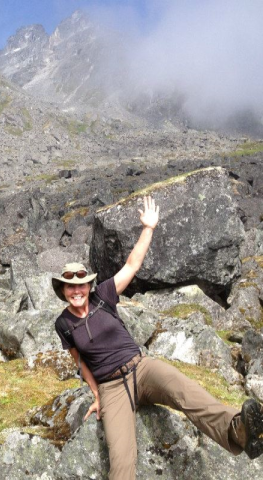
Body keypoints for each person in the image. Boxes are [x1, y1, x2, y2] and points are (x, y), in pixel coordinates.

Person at [52, 195, 263, 480]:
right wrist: (96, 394)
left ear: (88, 285)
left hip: (142, 369)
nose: (76, 291)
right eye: (70, 287)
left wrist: (148, 228)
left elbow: (131, 265)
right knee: (122, 460)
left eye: (81, 285)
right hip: (112, 389)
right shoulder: (63, 323)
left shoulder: (103, 295)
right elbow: (80, 362)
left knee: (186, 392)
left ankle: (237, 430)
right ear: (63, 290)